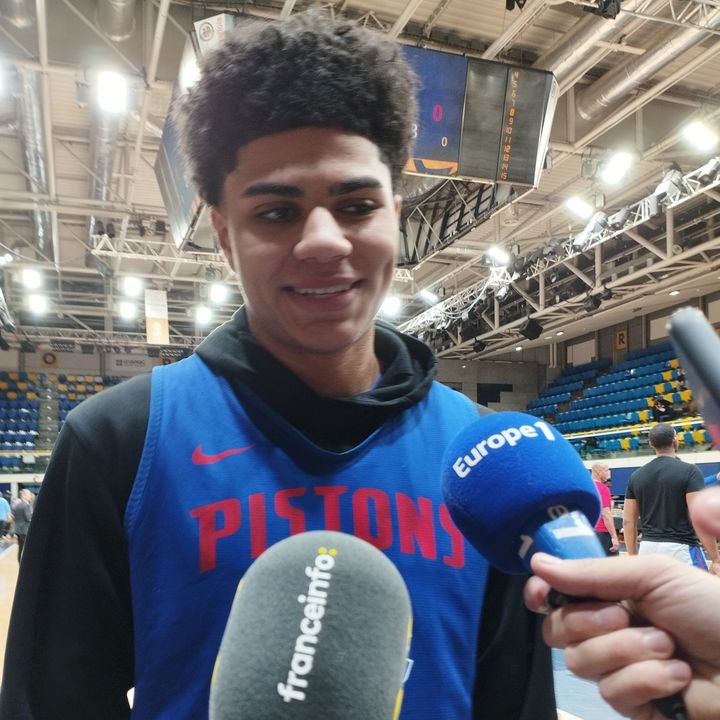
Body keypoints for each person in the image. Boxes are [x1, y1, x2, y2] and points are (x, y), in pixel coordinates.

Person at [0, 12, 554, 720]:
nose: (324, 242)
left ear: (395, 211)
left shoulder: (480, 460)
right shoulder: (118, 443)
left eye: (355, 204)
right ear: (226, 236)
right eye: (275, 213)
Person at [524, 484, 720, 720]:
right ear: (674, 444)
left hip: (647, 545)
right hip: (676, 549)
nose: (608, 474)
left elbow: (628, 520)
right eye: (605, 471)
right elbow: (610, 514)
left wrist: (634, 552)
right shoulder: (686, 475)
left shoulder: (637, 478)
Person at [623, 423, 719, 572]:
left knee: (655, 596)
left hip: (647, 549)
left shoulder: (636, 476)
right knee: (698, 594)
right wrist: (715, 558)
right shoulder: (690, 471)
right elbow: (698, 517)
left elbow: (628, 521)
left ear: (651, 444)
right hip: (680, 550)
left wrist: (633, 557)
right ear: (675, 441)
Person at [591, 461, 619, 555]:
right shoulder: (602, 488)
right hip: (602, 532)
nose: (609, 472)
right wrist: (614, 537)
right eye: (607, 470)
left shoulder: (587, 486)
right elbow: (606, 514)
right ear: (599, 472)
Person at [10, 489, 33, 563]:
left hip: (18, 530)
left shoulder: (17, 505)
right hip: (25, 530)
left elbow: (14, 517)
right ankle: (27, 563)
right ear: (24, 495)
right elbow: (28, 518)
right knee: (28, 549)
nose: (30, 497)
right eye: (29, 495)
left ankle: (20, 563)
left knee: (20, 548)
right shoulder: (26, 505)